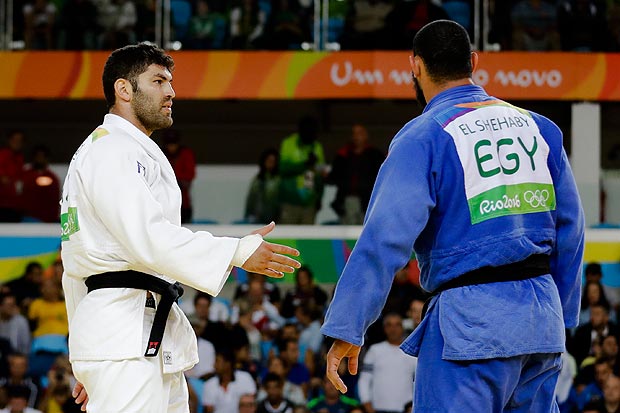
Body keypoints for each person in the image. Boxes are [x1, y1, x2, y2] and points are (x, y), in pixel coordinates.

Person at [321, 20, 584, 412]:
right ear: (474, 62)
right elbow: (572, 232)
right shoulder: (540, 129)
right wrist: (561, 316)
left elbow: (383, 240)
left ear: (415, 66)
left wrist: (348, 326)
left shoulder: (424, 136)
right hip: (541, 325)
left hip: (470, 330)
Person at [60, 43, 300, 413]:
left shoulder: (124, 150)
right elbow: (149, 238)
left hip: (130, 334)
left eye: (170, 82)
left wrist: (86, 352)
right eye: (158, 81)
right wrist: (234, 251)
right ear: (124, 89)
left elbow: (75, 269)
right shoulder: (111, 151)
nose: (171, 92)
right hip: (123, 338)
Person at [357, 314, 417, 413]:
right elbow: (364, 380)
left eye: (397, 325)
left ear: (402, 327)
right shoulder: (375, 350)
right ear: (384, 328)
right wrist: (366, 402)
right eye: (389, 325)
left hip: (406, 409)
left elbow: (418, 383)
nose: (393, 329)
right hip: (377, 409)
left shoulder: (412, 352)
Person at [327, 124, 384, 225]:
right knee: (347, 232)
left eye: (360, 133)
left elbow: (382, 178)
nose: (357, 136)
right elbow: (333, 177)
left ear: (366, 136)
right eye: (354, 134)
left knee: (364, 229)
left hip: (368, 200)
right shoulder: (343, 155)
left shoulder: (374, 155)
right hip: (347, 199)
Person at [278, 116, 326, 225]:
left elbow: (320, 175)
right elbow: (283, 170)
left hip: (309, 201)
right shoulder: (289, 143)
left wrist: (319, 198)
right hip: (290, 200)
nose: (311, 135)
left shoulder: (317, 146)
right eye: (308, 132)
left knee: (307, 238)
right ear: (301, 131)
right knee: (287, 237)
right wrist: (305, 165)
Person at [162, 129, 196, 224]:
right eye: (169, 144)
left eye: (174, 144)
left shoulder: (186, 154)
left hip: (183, 202)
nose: (171, 147)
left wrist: (171, 178)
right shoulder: (161, 154)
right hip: (164, 202)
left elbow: (190, 174)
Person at [20, 145, 61, 223]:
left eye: (43, 156)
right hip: (27, 218)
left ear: (47, 158)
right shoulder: (25, 175)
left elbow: (55, 200)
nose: (40, 159)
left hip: (49, 220)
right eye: (38, 156)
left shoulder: (52, 178)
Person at [244, 148, 281, 225]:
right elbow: (251, 199)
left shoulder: (279, 180)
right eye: (269, 161)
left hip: (275, 219)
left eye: (273, 162)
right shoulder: (257, 179)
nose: (270, 164)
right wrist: (247, 215)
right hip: (257, 218)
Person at [0, 130, 25, 223]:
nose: (17, 143)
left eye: (20, 141)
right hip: (3, 204)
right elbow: (3, 179)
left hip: (15, 205)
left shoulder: (19, 157)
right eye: (15, 140)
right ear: (9, 140)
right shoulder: (2, 154)